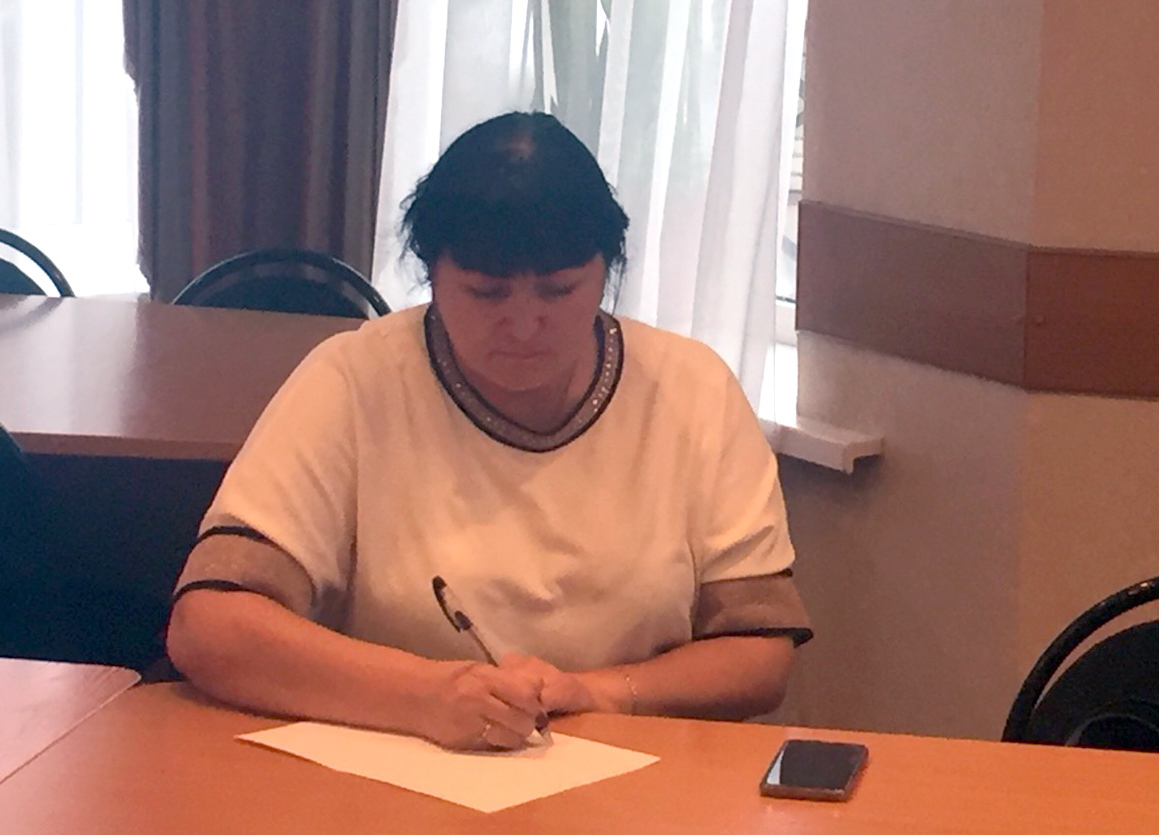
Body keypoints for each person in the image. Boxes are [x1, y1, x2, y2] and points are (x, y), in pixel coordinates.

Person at [167, 111, 812, 751]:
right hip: (396, 774)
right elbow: (210, 625)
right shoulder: (355, 380)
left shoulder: (692, 390)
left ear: (606, 271)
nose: (525, 326)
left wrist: (602, 693)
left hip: (634, 776)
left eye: (559, 292)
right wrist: (426, 695)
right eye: (485, 294)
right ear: (431, 274)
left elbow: (759, 654)